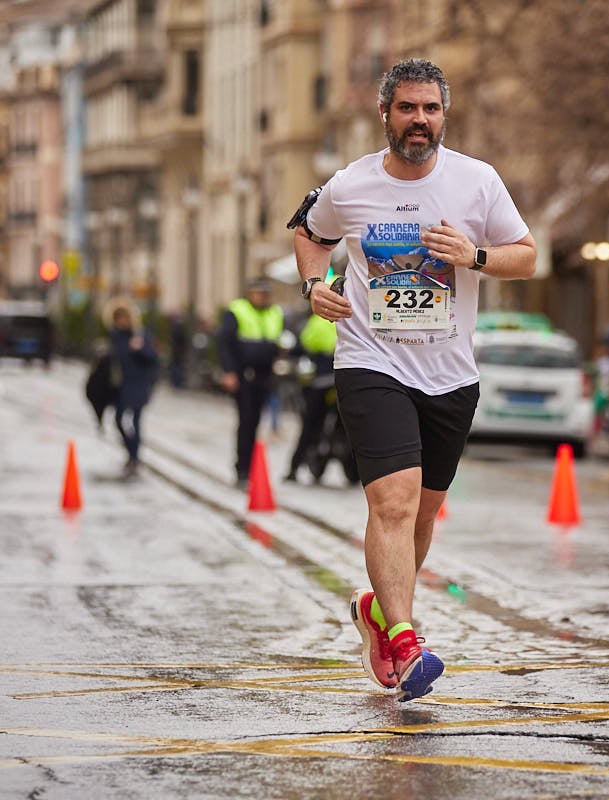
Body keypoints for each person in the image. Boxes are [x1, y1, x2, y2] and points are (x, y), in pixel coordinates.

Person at [292, 58, 536, 701]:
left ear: (443, 116)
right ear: (386, 115)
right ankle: (404, 640)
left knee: (422, 515)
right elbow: (308, 232)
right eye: (407, 109)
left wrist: (475, 256)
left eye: (430, 109)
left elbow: (527, 255)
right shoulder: (351, 185)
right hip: (372, 362)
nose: (419, 121)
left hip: (450, 372)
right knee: (393, 503)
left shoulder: (477, 182)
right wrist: (315, 285)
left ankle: (376, 611)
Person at [217, 278, 284, 488]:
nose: (262, 297)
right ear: (249, 293)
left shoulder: (275, 313)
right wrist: (228, 372)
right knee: (246, 422)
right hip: (244, 375)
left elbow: (279, 340)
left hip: (265, 375)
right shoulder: (237, 310)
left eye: (265, 294)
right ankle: (242, 470)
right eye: (258, 293)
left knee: (256, 422)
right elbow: (225, 343)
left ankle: (250, 468)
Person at [106, 301, 159, 477]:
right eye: (118, 318)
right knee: (119, 419)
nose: (121, 321)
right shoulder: (115, 337)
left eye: (124, 317)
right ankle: (131, 452)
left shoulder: (140, 335)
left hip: (140, 384)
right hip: (122, 385)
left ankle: (135, 457)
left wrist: (139, 349)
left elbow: (153, 358)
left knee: (136, 420)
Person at [285, 310, 337, 483]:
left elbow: (302, 347)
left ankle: (293, 469)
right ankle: (294, 468)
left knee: (310, 425)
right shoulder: (348, 315)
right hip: (334, 382)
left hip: (321, 382)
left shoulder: (315, 319)